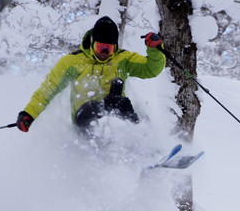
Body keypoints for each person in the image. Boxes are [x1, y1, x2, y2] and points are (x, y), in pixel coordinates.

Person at [16, 16, 165, 135]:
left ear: (115, 46)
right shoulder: (72, 61)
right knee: (93, 107)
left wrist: (155, 50)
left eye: (109, 49)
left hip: (113, 113)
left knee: (120, 102)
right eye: (100, 47)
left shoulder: (123, 59)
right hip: (85, 117)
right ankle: (104, 147)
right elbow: (49, 89)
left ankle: (142, 146)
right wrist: (29, 113)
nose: (103, 53)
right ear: (92, 42)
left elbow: (151, 69)